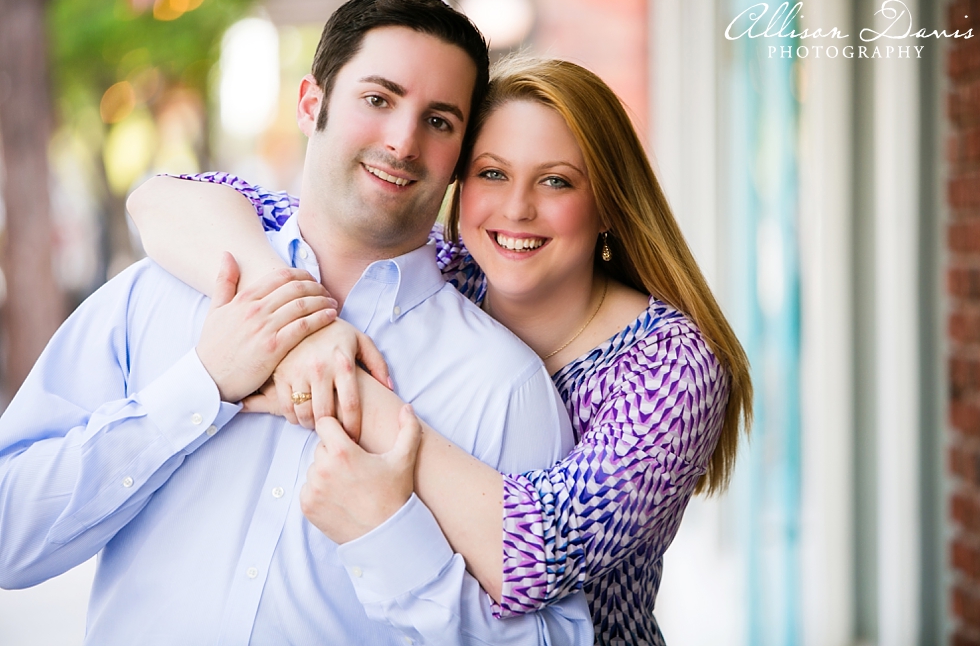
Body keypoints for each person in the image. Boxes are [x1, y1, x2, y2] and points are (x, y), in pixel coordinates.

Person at [0, 0, 595, 644]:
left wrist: (390, 537)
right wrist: (199, 387)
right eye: (378, 98)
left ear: (460, 152)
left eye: (440, 120)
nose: (402, 140)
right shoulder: (160, 292)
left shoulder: (503, 383)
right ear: (312, 103)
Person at [129, 55, 753, 645]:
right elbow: (165, 196)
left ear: (610, 205)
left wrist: (346, 389)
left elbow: (537, 554)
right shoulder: (448, 274)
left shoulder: (670, 363)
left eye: (556, 182)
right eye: (492, 173)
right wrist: (298, 322)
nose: (516, 209)